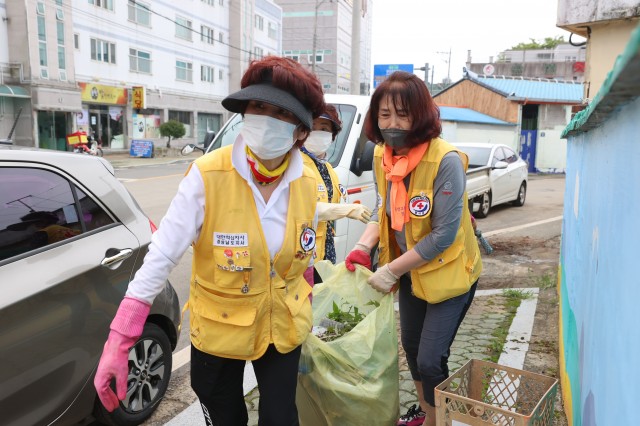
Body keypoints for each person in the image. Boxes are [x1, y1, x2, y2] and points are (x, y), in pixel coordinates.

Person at [93, 55, 370, 426]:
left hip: (282, 328)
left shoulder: (305, 181)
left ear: (301, 131)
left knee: (281, 417)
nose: (266, 119)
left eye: (282, 113)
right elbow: (161, 256)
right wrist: (119, 340)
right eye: (258, 106)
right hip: (219, 330)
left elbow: (300, 257)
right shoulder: (207, 175)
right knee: (225, 419)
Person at [343, 71, 482, 426]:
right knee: (412, 349)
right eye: (384, 114)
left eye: (402, 114)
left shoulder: (445, 160)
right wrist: (363, 246)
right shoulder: (381, 156)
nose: (392, 123)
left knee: (431, 359)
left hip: (450, 273)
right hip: (411, 273)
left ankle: (442, 420)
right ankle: (429, 414)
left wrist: (390, 270)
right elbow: (383, 208)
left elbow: (443, 235)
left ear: (420, 114)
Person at [300, 104, 344, 266]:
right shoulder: (294, 163)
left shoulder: (328, 169)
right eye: (313, 127)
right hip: (303, 254)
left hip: (325, 251)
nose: (318, 133)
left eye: (324, 129)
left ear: (332, 135)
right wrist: (344, 210)